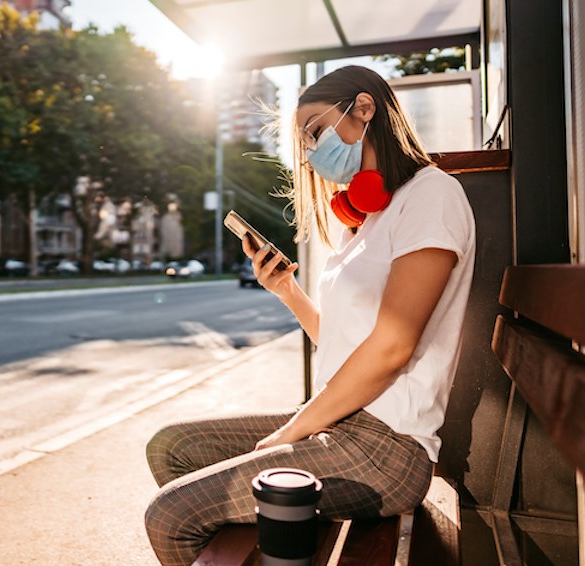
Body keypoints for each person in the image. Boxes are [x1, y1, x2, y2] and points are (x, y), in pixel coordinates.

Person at [143, 65, 476, 566]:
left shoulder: (432, 195)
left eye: (315, 130)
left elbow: (390, 348)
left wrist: (289, 433)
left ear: (364, 109)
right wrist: (287, 291)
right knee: (172, 447)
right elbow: (346, 343)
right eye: (305, 141)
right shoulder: (364, 221)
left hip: (387, 447)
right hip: (343, 423)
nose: (311, 150)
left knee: (171, 515)